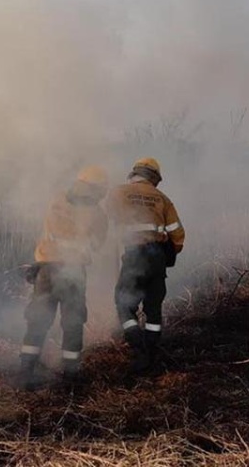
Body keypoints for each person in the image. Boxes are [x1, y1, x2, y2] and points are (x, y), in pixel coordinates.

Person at [19, 165, 109, 389]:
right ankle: (71, 375)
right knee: (73, 322)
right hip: (73, 272)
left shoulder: (57, 200)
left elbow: (46, 230)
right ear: (98, 188)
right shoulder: (97, 213)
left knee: (39, 318)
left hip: (45, 269)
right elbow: (98, 243)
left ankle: (26, 370)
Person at [107, 157, 185, 372]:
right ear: (154, 178)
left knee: (123, 303)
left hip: (134, 255)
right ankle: (151, 351)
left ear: (135, 174)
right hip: (157, 257)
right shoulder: (162, 199)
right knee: (153, 307)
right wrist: (170, 253)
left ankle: (136, 344)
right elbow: (178, 235)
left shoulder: (118, 193)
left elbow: (107, 219)